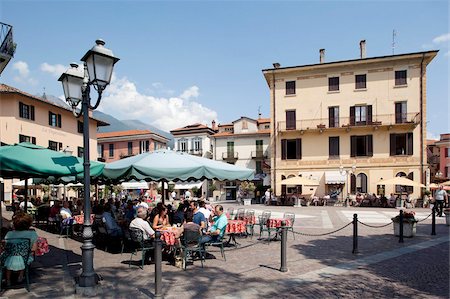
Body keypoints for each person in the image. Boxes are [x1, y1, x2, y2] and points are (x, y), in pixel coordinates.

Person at [4, 212, 39, 286]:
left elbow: (5, 246)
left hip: (8, 257)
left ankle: (8, 280)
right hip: (24, 257)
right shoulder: (32, 234)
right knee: (24, 256)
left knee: (12, 256)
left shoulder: (9, 234)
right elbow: (34, 248)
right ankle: (20, 276)